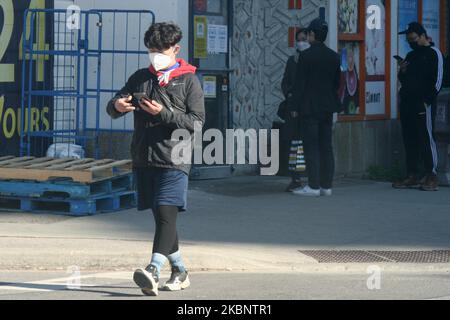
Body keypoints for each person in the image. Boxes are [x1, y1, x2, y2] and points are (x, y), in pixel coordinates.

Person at [106, 22, 205, 296]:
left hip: (176, 158)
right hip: (144, 156)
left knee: (165, 211)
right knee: (163, 218)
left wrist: (163, 113)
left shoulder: (189, 81)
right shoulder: (140, 77)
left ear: (176, 49)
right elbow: (114, 104)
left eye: (160, 51)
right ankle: (180, 270)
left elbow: (196, 123)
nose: (155, 57)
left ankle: (152, 269)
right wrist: (116, 106)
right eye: (151, 51)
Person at [291, 18, 342, 197]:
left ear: (312, 35)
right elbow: (337, 83)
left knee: (311, 146)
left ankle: (313, 185)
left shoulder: (306, 56)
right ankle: (326, 186)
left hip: (309, 107)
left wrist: (294, 106)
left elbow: (300, 85)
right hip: (327, 107)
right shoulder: (335, 57)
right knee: (326, 146)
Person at [393, 22, 443, 192]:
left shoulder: (433, 53)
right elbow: (404, 79)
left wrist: (427, 101)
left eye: (413, 39)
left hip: (423, 103)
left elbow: (438, 81)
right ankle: (412, 174)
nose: (411, 42)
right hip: (407, 103)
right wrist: (402, 71)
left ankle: (431, 174)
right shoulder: (411, 55)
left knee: (426, 138)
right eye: (408, 40)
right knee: (410, 139)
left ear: (422, 36)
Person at [280, 27, 310, 192]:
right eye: (299, 39)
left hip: (307, 109)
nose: (301, 42)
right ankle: (295, 178)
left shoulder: (312, 61)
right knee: (294, 145)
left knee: (308, 144)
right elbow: (285, 82)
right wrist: (289, 95)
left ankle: (311, 176)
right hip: (293, 110)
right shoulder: (292, 60)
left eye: (304, 39)